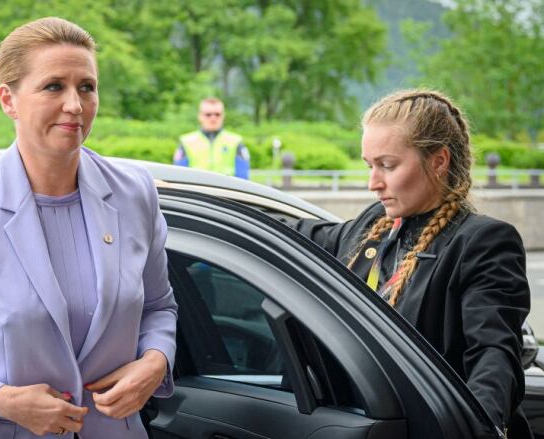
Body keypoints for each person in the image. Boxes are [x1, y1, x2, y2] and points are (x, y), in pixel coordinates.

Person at [0, 17, 177, 439]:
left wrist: (155, 362)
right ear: (8, 100)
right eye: (53, 86)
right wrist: (1, 400)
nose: (75, 105)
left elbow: (158, 307)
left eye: (87, 87)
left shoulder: (134, 193)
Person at [292, 90, 532, 438]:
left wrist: (476, 430)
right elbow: (293, 235)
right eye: (369, 166)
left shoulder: (482, 242)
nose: (373, 183)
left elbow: (493, 357)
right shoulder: (372, 225)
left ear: (438, 161)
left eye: (387, 166)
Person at [174, 97, 251, 179]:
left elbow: (243, 178)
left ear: (223, 116)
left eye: (217, 114)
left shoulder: (236, 142)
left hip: (226, 191)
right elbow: (179, 176)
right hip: (195, 191)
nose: (213, 118)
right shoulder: (186, 141)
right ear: (200, 116)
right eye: (208, 114)